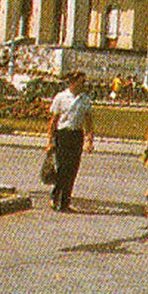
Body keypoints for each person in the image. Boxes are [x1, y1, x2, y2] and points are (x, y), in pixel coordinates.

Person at [46, 71, 96, 212]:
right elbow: (53, 121)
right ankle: (56, 195)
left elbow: (89, 122)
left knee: (72, 169)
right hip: (63, 135)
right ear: (72, 82)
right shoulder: (61, 97)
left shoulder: (84, 99)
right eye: (81, 82)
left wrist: (89, 141)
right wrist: (50, 141)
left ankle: (65, 202)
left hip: (76, 135)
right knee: (62, 168)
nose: (83, 85)